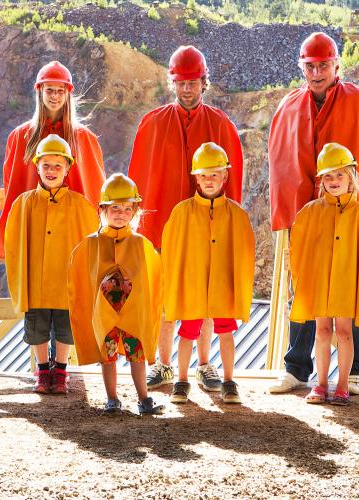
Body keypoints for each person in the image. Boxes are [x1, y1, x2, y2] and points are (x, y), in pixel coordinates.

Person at [267, 32, 359, 395]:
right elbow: (282, 165)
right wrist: (290, 214)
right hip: (311, 218)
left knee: (352, 288)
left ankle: (356, 371)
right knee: (307, 288)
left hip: (351, 214)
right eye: (310, 66)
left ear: (337, 65)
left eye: (323, 65)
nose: (317, 72)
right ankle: (296, 368)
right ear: (302, 67)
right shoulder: (289, 106)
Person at [127, 45, 245, 392]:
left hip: (209, 227)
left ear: (204, 82)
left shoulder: (221, 124)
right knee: (167, 297)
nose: (187, 89)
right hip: (164, 227)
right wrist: (139, 227)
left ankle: (205, 366)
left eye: (193, 82)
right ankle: (162, 364)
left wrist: (226, 228)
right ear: (173, 83)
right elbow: (139, 178)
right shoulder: (152, 123)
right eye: (181, 82)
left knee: (206, 298)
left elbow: (233, 182)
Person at [288, 143, 359, 405]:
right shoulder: (310, 213)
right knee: (321, 331)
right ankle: (321, 384)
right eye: (328, 176)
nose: (334, 181)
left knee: (344, 333)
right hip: (321, 281)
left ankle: (342, 385)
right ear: (321, 180)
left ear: (351, 177)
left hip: (346, 283)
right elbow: (300, 250)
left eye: (340, 174)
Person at [4, 134, 99, 394]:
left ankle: (61, 370)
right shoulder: (24, 203)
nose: (52, 170)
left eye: (58, 165)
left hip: (67, 282)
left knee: (66, 328)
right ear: (37, 167)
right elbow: (14, 245)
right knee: (37, 326)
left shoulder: (80, 205)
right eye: (46, 165)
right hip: (36, 280)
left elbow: (92, 245)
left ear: (67, 168)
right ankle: (43, 370)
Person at [161, 143, 255, 404]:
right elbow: (172, 252)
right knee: (187, 332)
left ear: (225, 175)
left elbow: (244, 254)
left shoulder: (237, 214)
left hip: (222, 285)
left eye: (214, 174)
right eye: (204, 175)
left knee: (226, 331)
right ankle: (181, 381)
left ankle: (229, 381)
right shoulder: (182, 212)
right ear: (196, 178)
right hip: (192, 284)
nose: (209, 180)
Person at [68, 174, 165, 415]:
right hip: (105, 316)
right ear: (103, 209)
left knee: (137, 356)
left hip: (133, 315)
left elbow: (151, 282)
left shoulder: (141, 245)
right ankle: (112, 400)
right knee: (107, 356)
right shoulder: (91, 245)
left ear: (134, 212)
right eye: (115, 208)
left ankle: (144, 399)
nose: (121, 214)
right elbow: (82, 282)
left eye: (127, 209)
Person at [0, 60, 105, 259]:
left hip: (71, 230)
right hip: (34, 228)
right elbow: (13, 185)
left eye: (60, 91)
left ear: (67, 94)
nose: (54, 96)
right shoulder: (20, 136)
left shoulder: (84, 138)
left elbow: (95, 186)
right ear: (39, 91)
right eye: (49, 90)